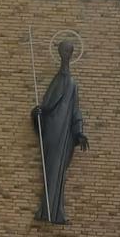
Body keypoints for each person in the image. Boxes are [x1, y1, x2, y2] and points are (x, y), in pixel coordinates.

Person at [33, 38, 88, 223]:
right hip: (51, 132)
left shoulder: (72, 84)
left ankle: (55, 212)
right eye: (63, 51)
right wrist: (37, 114)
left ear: (72, 55)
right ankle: (46, 211)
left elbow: (75, 110)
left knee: (59, 171)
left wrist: (79, 132)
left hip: (64, 135)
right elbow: (46, 107)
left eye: (69, 51)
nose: (66, 54)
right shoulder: (56, 81)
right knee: (50, 171)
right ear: (59, 53)